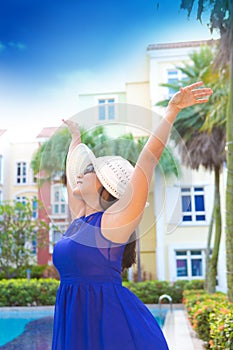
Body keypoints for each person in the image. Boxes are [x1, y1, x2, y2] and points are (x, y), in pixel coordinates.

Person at [52, 82, 212, 350]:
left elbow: (148, 159)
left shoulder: (115, 222)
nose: (80, 174)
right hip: (75, 320)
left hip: (109, 325)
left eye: (89, 169)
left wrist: (172, 110)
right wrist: (75, 139)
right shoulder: (79, 220)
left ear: (104, 185)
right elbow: (72, 172)